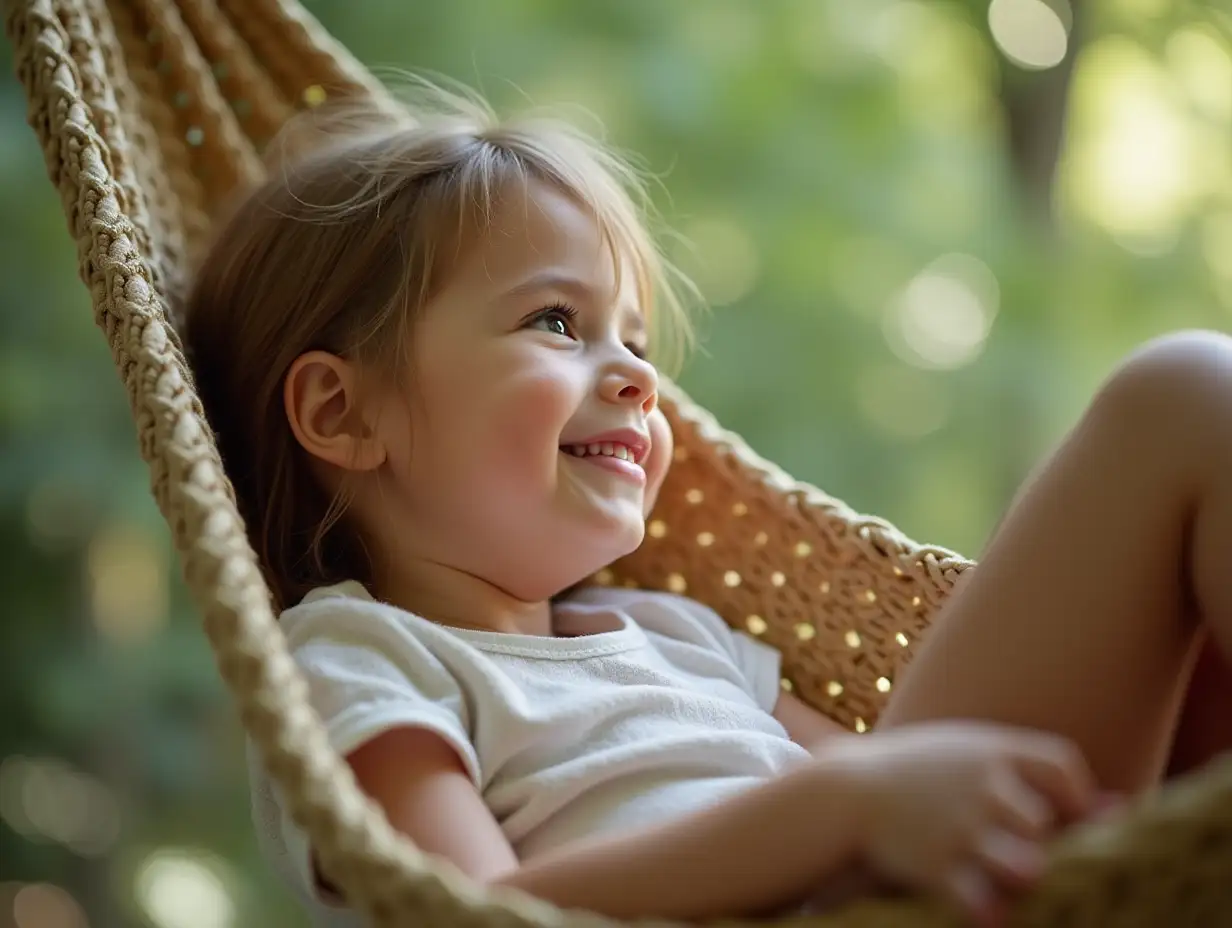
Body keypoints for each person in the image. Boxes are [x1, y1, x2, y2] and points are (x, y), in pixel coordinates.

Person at [183, 80, 1232, 927]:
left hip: (945, 891)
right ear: (341, 411)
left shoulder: (681, 632)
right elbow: (460, 909)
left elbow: (908, 781)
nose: (640, 378)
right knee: (1182, 395)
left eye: (632, 341)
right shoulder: (362, 657)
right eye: (555, 321)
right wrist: (839, 810)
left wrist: (865, 796)